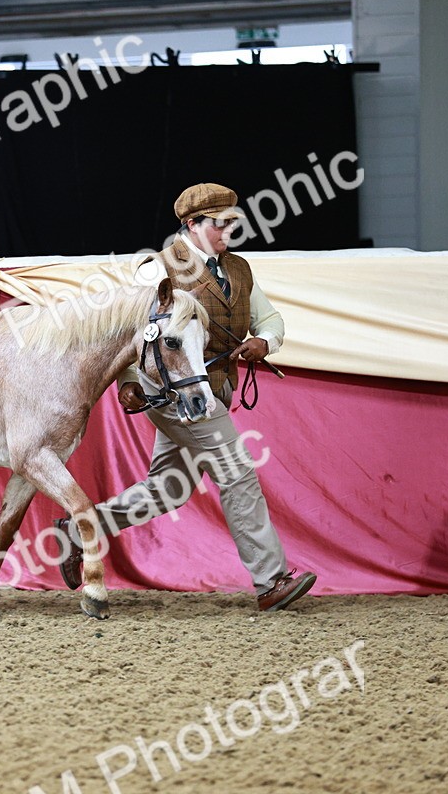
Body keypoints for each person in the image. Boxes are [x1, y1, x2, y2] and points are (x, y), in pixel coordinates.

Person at [52, 182, 316, 612]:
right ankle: (271, 581)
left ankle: (82, 526)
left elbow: (269, 318)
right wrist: (128, 383)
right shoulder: (157, 271)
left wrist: (265, 342)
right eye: (220, 224)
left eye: (232, 222)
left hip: (218, 389)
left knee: (168, 489)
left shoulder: (239, 270)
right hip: (177, 398)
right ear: (192, 225)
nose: (228, 231)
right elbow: (129, 335)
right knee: (237, 473)